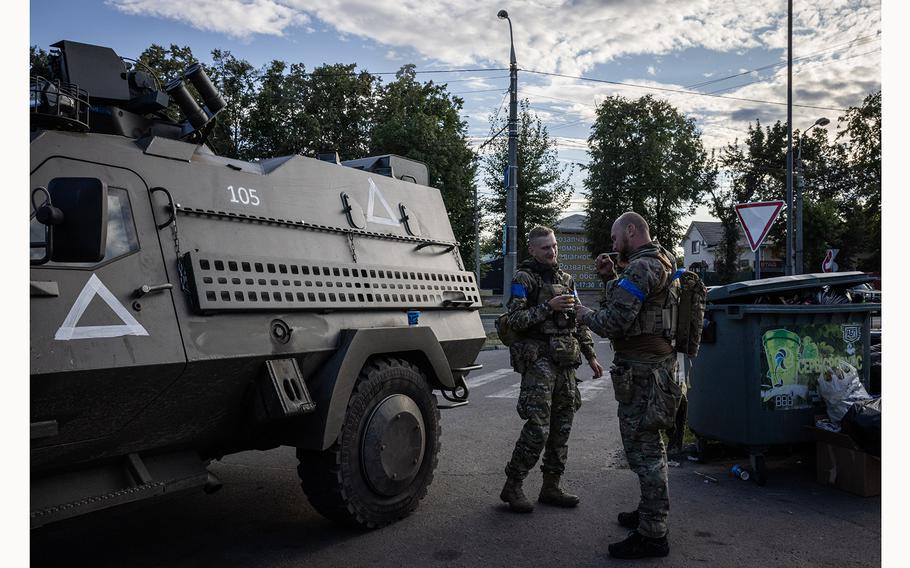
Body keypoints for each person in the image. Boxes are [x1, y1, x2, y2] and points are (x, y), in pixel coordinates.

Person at [575, 211, 683, 559]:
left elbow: (615, 322)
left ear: (631, 231)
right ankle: (650, 512)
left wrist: (583, 314)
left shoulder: (641, 267)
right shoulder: (663, 259)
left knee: (646, 450)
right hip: (658, 369)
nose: (612, 244)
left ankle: (653, 533)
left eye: (614, 237)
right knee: (648, 446)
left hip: (644, 375)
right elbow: (638, 306)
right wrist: (610, 277)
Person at [499, 225, 604, 513]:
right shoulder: (524, 278)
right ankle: (513, 485)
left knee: (562, 428)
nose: (552, 251)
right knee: (537, 428)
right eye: (546, 247)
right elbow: (515, 319)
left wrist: (591, 356)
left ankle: (551, 485)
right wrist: (548, 306)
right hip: (539, 363)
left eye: (554, 246)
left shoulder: (567, 279)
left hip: (566, 363)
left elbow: (578, 322)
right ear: (532, 250)